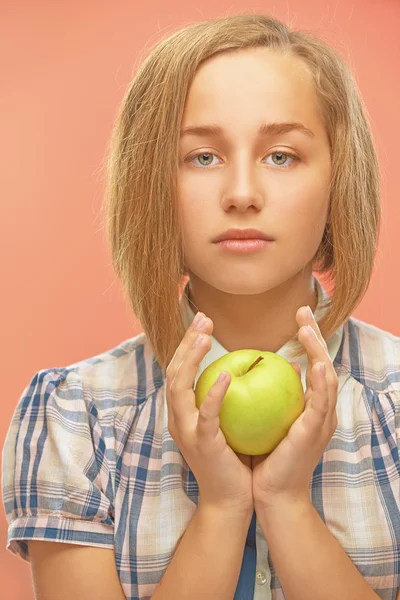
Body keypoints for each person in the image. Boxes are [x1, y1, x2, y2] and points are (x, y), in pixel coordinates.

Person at [2, 11, 399, 600]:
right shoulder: (76, 417)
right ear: (151, 183)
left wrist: (287, 504)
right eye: (203, 157)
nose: (242, 194)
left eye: (282, 155)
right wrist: (222, 506)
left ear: (339, 180)